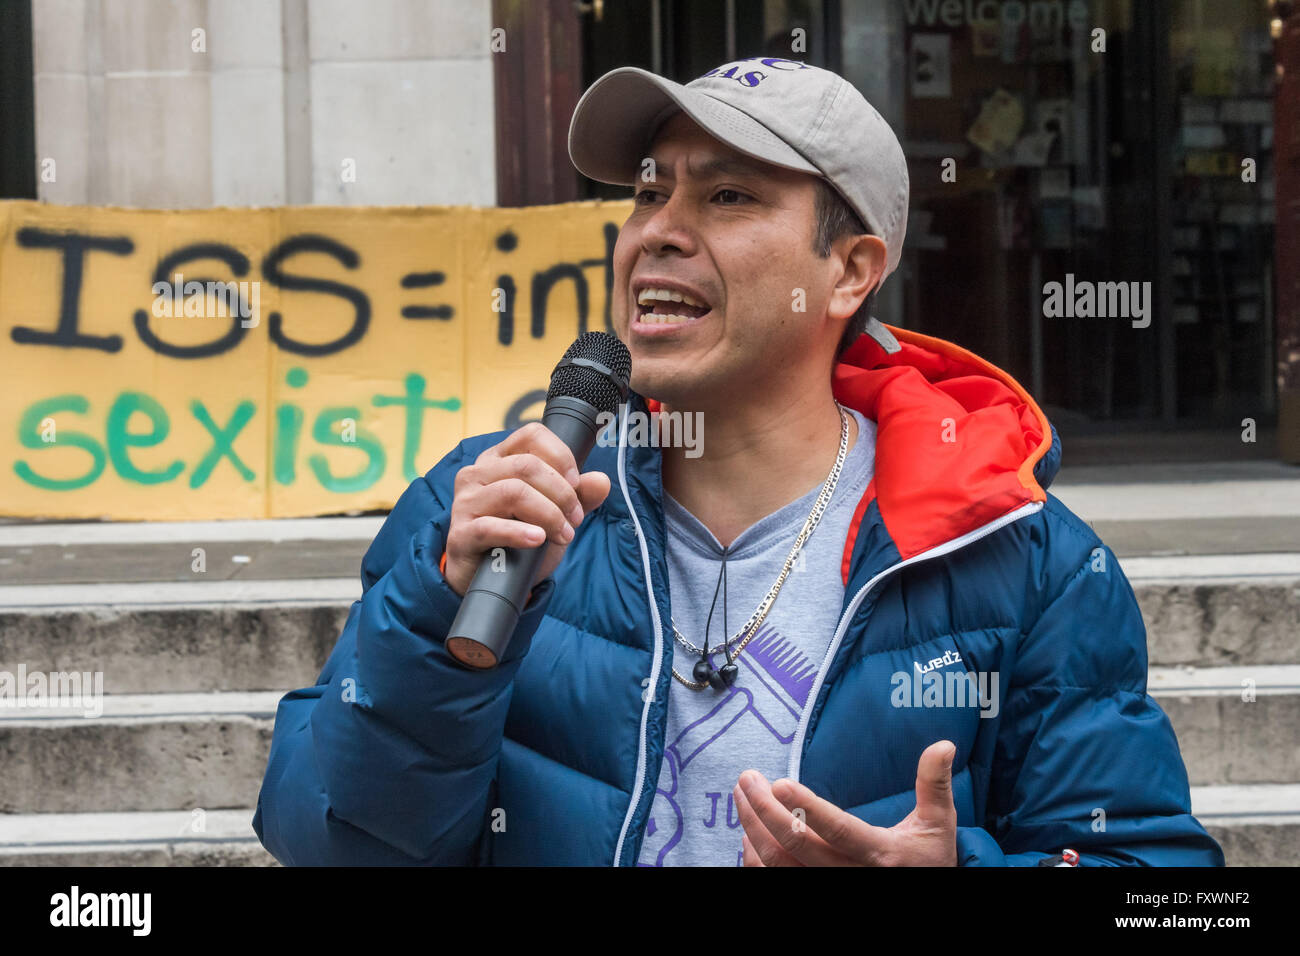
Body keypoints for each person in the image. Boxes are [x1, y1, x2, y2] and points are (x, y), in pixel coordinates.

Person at [253, 57, 1224, 867]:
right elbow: (332, 839)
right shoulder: (488, 506)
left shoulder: (1019, 556)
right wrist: (435, 626)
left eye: (725, 194)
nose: (657, 231)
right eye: (647, 189)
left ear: (848, 270)